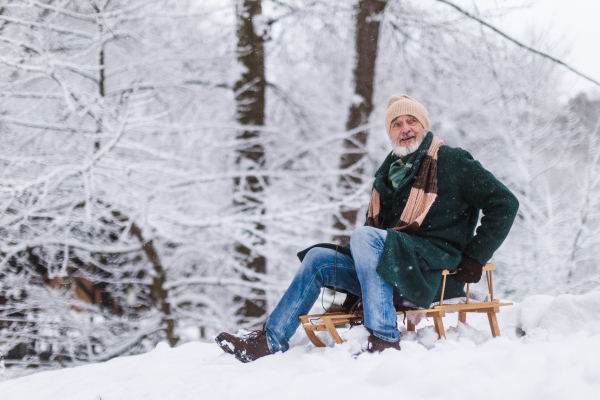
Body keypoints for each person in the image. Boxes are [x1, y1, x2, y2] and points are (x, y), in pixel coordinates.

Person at [215, 95, 519, 362]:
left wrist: (475, 255)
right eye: (396, 124)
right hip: (392, 274)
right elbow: (375, 238)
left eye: (411, 121)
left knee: (363, 237)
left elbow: (504, 203)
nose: (405, 129)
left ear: (424, 126)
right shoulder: (387, 173)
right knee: (319, 258)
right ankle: (271, 340)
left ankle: (384, 337)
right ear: (390, 133)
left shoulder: (451, 161)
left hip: (432, 272)